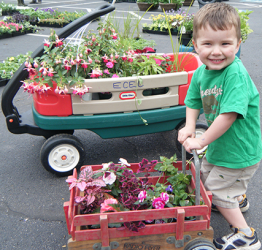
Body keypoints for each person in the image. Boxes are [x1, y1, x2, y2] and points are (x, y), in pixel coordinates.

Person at [178, 2, 262, 250]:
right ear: (195, 45)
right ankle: (237, 197)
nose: (216, 52)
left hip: (239, 149)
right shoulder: (201, 72)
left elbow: (228, 115)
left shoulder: (235, 73)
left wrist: (201, 140)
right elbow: (193, 100)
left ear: (237, 45)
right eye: (208, 44)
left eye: (225, 44)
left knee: (217, 189)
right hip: (221, 145)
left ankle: (246, 236)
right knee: (205, 173)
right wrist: (190, 126)